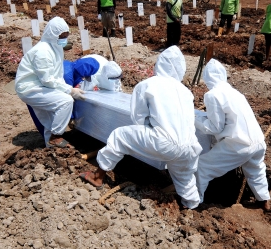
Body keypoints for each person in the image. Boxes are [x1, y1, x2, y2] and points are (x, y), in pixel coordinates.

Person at [80, 46, 203, 209]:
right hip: (190, 147)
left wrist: (147, 135)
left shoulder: (148, 85)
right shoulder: (186, 92)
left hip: (164, 142)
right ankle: (192, 209)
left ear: (159, 64)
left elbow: (138, 117)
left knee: (119, 136)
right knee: (185, 179)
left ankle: (97, 176)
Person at [194, 59, 271, 210]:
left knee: (202, 167)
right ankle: (264, 200)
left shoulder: (213, 95)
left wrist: (194, 119)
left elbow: (215, 127)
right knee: (255, 169)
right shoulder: (236, 92)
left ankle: (195, 203)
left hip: (239, 144)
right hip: (258, 141)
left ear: (207, 78)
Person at [15, 17, 87, 148]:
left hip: (39, 85)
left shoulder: (55, 48)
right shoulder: (43, 51)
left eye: (66, 35)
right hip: (30, 88)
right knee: (65, 101)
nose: (64, 39)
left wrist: (66, 88)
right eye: (61, 36)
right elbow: (47, 79)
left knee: (50, 121)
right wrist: (69, 91)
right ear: (52, 34)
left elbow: (56, 75)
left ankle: (52, 149)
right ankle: (56, 137)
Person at [27, 57, 100, 139]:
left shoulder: (71, 66)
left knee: (51, 118)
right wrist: (71, 117)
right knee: (45, 119)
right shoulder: (66, 75)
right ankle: (51, 144)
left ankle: (52, 139)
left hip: (44, 90)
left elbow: (75, 81)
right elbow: (66, 98)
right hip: (36, 93)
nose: (84, 77)